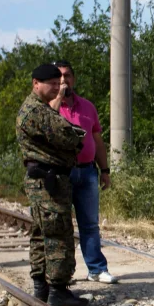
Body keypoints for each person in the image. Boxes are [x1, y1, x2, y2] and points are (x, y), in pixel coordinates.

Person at [16, 63, 88, 306]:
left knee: (41, 233)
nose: (58, 88)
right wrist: (76, 135)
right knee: (57, 233)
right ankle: (57, 289)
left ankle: (41, 286)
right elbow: (71, 137)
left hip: (45, 180)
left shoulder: (38, 109)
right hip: (49, 182)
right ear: (36, 83)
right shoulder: (38, 112)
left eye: (60, 83)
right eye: (53, 84)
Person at [53, 61, 118, 284]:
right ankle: (62, 273)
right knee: (61, 224)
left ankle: (97, 269)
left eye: (67, 76)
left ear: (74, 79)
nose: (63, 81)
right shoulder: (47, 106)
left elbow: (97, 139)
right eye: (59, 77)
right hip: (61, 174)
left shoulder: (87, 106)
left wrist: (105, 170)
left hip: (87, 172)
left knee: (90, 224)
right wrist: (58, 98)